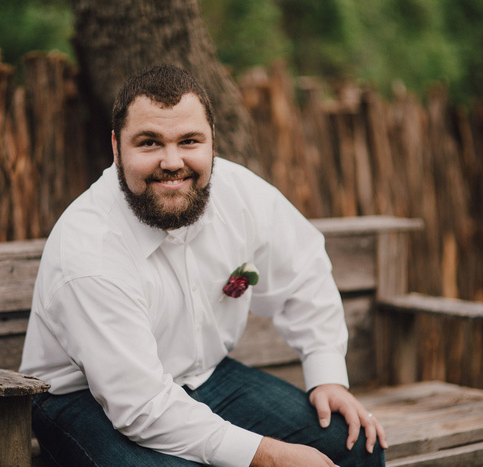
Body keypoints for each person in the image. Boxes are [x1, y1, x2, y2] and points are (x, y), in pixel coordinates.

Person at [19, 64, 387, 466]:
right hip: (83, 399)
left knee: (356, 445)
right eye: (149, 143)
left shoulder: (240, 193)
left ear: (212, 142)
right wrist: (270, 456)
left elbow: (304, 271)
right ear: (116, 148)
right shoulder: (90, 248)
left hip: (205, 377)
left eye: (189, 141)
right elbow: (141, 406)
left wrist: (327, 374)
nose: (173, 161)